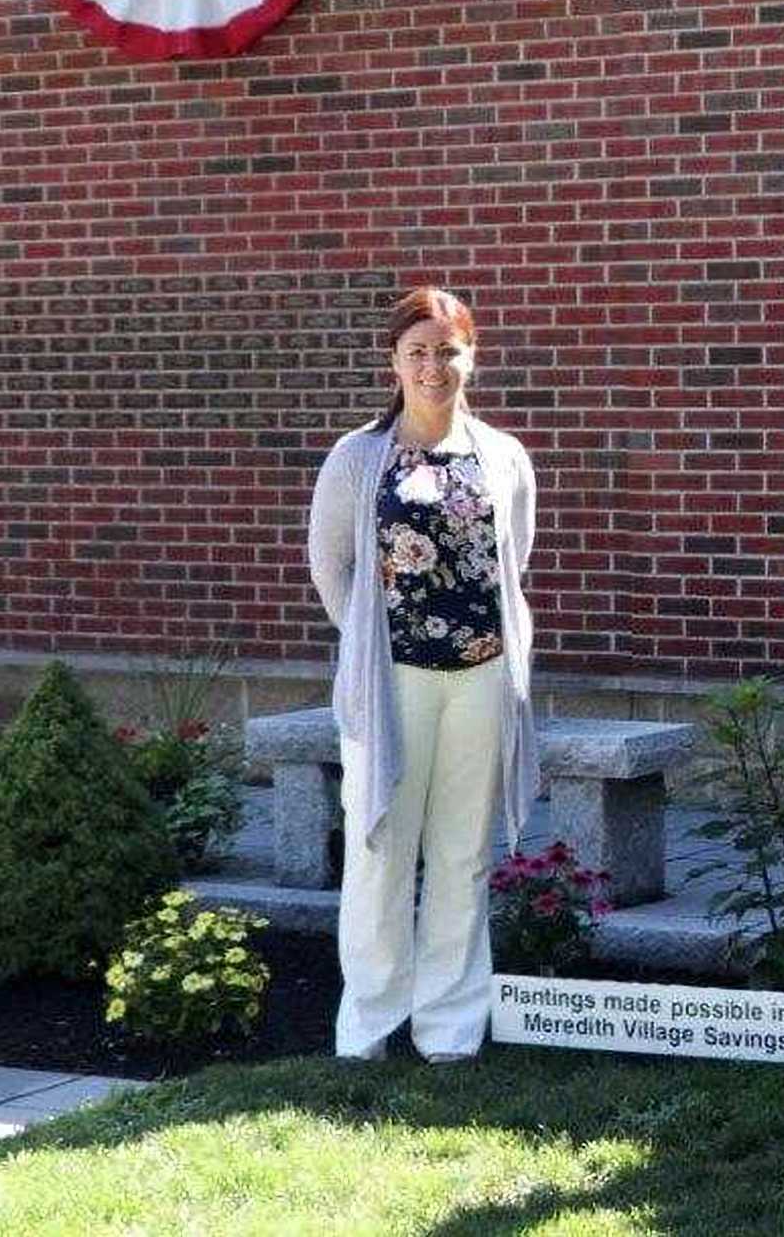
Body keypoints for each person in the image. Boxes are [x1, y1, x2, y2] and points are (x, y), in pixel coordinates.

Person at [308, 286, 539, 1063]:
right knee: (380, 847)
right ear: (394, 362)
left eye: (449, 350)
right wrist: (373, 645)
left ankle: (448, 1030)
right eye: (418, 351)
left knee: (462, 853)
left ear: (470, 356)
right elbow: (331, 566)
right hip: (393, 682)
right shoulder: (358, 457)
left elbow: (512, 560)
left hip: (481, 678)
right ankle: (368, 1027)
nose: (434, 366)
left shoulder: (502, 455)